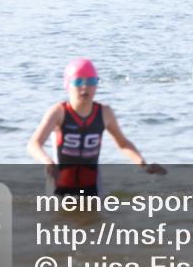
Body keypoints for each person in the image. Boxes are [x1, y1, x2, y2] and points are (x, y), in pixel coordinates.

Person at [27, 59, 166, 196]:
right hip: (59, 183)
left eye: (91, 82)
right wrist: (48, 162)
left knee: (97, 210)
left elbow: (123, 144)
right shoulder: (59, 112)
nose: (85, 87)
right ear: (67, 84)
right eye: (78, 82)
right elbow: (34, 144)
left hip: (92, 185)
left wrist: (143, 165)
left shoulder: (104, 113)